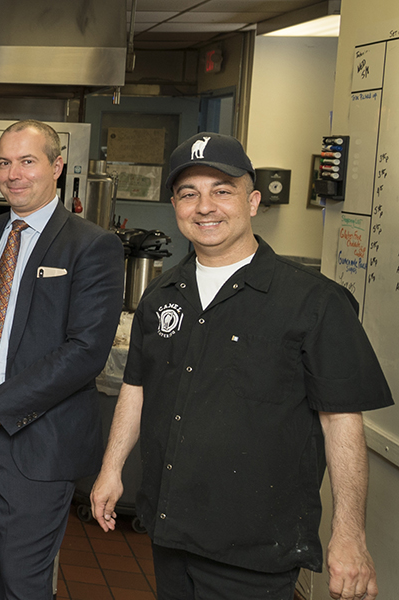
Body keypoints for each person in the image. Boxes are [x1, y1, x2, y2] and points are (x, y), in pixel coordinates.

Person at [89, 133, 391, 600]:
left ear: (252, 201)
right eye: (189, 194)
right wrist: (112, 470)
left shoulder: (315, 302)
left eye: (222, 191)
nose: (205, 206)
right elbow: (137, 387)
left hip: (255, 549)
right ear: (175, 206)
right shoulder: (163, 295)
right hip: (171, 532)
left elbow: (341, 422)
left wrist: (349, 535)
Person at [0, 119, 124, 599]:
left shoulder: (92, 245)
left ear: (57, 167)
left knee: (24, 582)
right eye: (4, 162)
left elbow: (85, 352)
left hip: (38, 443)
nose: (13, 174)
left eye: (27, 161)